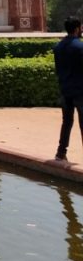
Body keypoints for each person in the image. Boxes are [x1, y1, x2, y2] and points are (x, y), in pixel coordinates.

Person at [54, 17, 83, 162]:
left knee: (67, 122)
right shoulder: (79, 47)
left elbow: (58, 69)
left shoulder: (58, 47)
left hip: (65, 89)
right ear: (77, 28)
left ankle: (61, 153)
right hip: (80, 90)